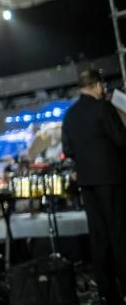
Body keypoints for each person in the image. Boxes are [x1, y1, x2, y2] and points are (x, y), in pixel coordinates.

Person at [62, 69, 126, 304]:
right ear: (98, 85)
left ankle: (107, 294)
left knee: (98, 238)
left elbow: (68, 150)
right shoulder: (104, 108)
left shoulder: (69, 115)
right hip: (112, 179)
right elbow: (122, 140)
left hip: (87, 183)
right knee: (119, 235)